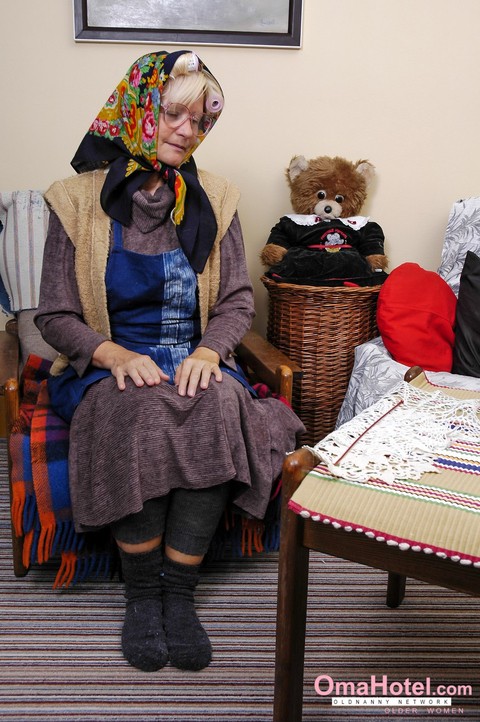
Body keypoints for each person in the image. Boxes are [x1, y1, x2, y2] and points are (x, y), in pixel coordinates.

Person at [35, 50, 304, 673]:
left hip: (194, 356)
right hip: (106, 363)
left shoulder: (219, 198)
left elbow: (237, 300)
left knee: (215, 404)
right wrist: (112, 353)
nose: (187, 130)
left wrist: (210, 351)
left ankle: (178, 595)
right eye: (172, 113)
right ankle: (143, 592)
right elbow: (54, 315)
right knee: (139, 408)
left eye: (201, 120)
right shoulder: (72, 201)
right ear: (136, 109)